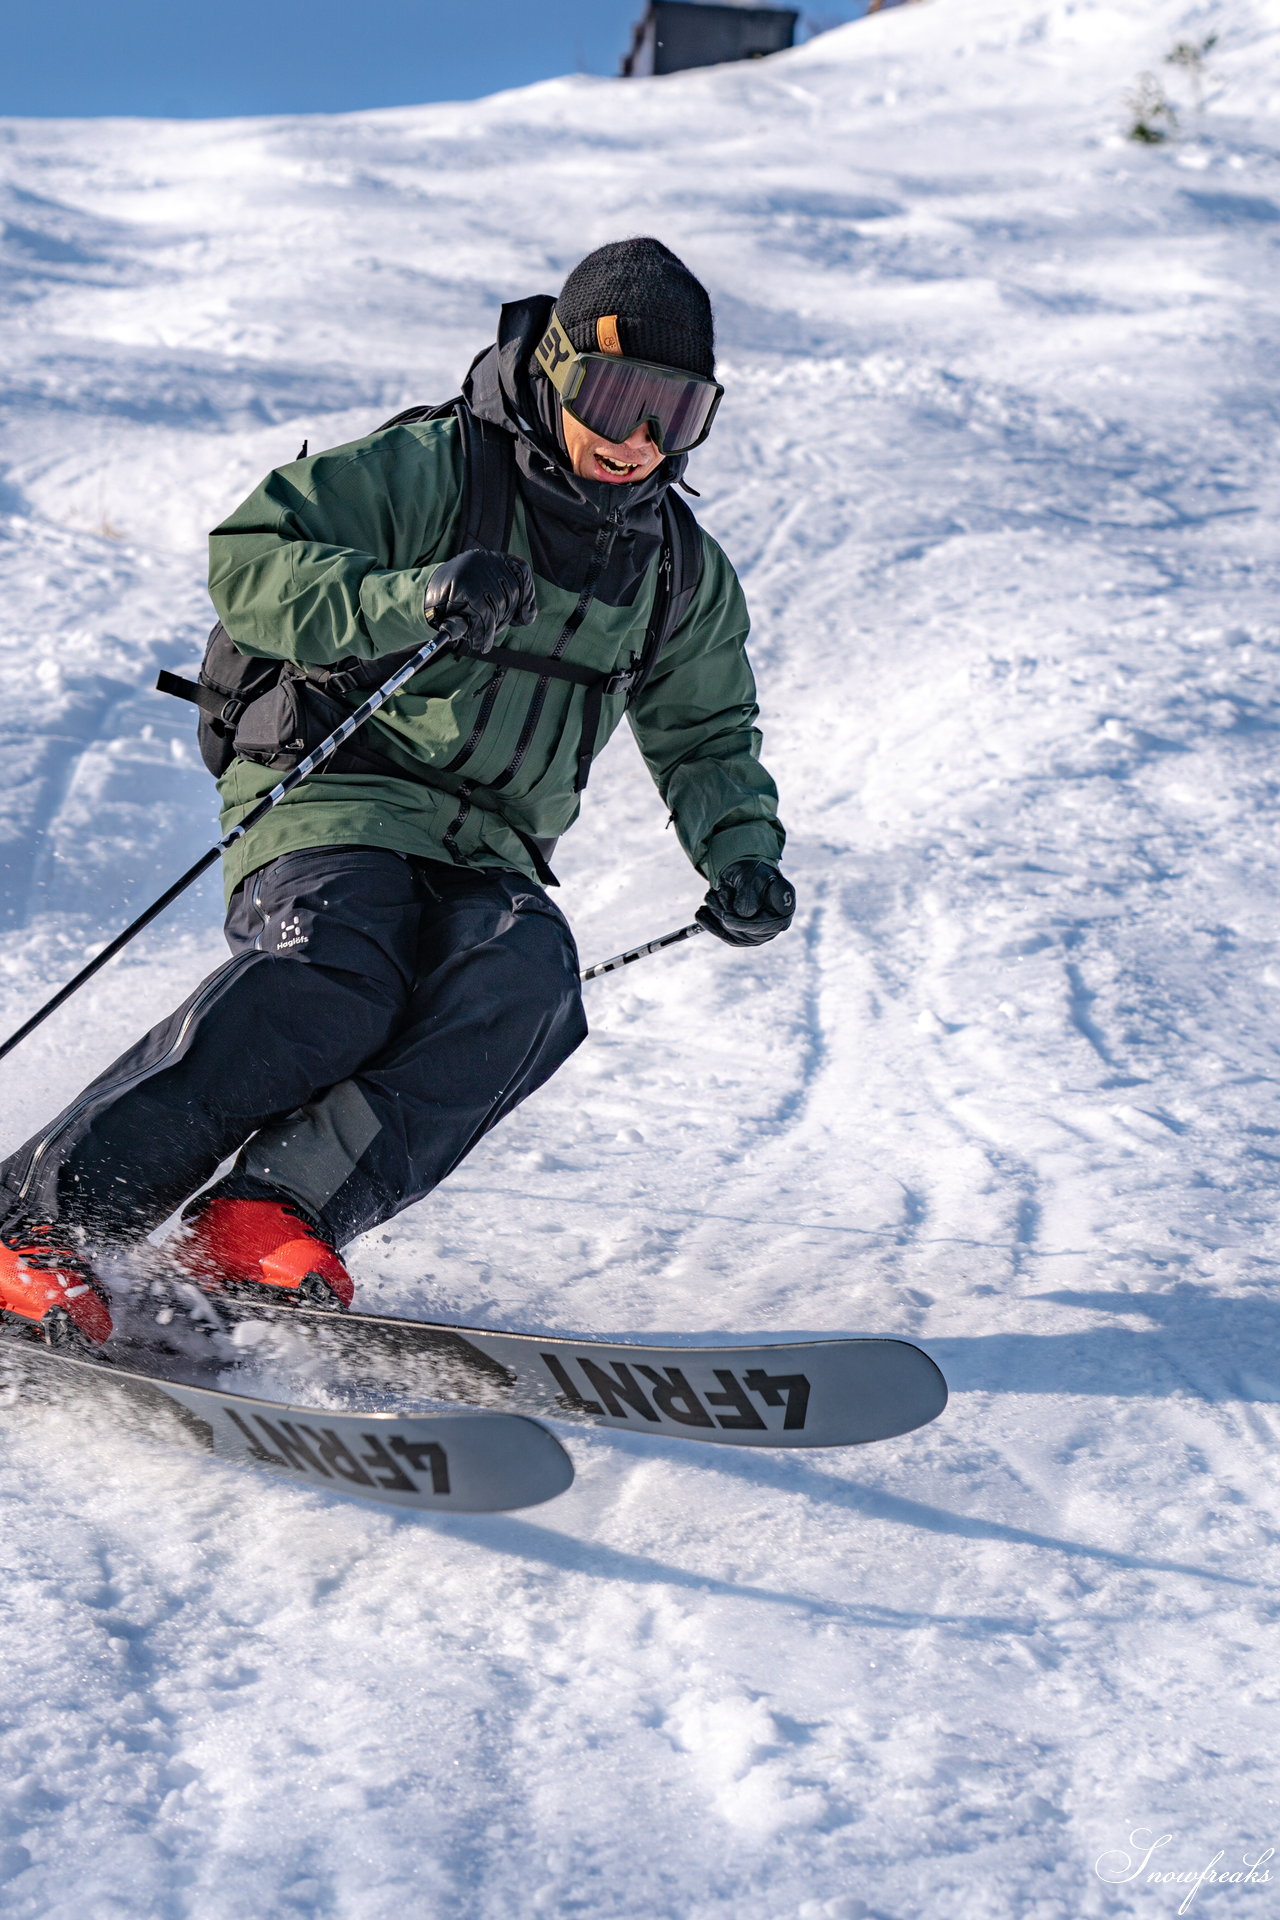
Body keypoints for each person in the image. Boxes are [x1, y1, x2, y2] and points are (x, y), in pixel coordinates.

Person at [0, 237, 795, 1348]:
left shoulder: (676, 568)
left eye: (676, 413)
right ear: (554, 369)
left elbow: (704, 730)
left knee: (525, 987)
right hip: (337, 781)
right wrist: (410, 596)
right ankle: (41, 1222)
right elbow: (250, 558)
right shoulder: (435, 470)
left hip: (491, 842)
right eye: (614, 399)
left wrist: (739, 850)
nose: (637, 441)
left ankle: (265, 1215)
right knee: (337, 966)